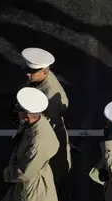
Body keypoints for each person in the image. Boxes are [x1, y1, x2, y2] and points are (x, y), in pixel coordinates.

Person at [18, 47, 70, 186]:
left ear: (45, 72)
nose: (28, 75)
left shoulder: (50, 96)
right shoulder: (40, 78)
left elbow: (44, 125)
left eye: (32, 73)